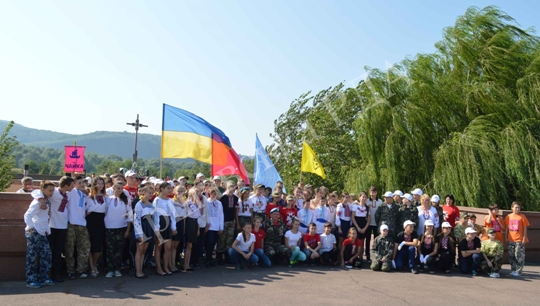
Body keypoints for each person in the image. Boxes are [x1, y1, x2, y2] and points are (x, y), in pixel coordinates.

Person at [24, 180, 56, 288]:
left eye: (53, 190)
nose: (52, 192)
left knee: (46, 255)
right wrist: (31, 227)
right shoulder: (38, 202)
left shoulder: (45, 200)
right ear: (43, 190)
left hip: (42, 232)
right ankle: (31, 280)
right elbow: (27, 215)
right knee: (32, 257)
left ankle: (44, 277)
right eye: (49, 190)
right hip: (35, 231)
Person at [104, 182, 133, 278]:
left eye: (121, 188)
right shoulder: (108, 199)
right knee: (110, 249)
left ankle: (117, 268)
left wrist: (128, 230)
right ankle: (110, 269)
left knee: (119, 249)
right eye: (118, 188)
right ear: (113, 188)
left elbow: (129, 215)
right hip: (110, 228)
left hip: (121, 227)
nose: (120, 190)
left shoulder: (125, 200)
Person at [65, 175, 91, 280]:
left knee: (84, 247)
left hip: (82, 223)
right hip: (71, 223)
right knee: (69, 248)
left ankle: (81, 270)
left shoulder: (84, 194)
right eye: (79, 183)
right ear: (74, 184)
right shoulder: (71, 192)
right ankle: (70, 271)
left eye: (82, 182)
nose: (82, 184)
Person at [153, 182, 177, 275]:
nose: (170, 190)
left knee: (168, 247)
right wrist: (157, 229)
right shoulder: (157, 200)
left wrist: (173, 227)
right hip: (160, 223)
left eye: (170, 188)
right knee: (158, 247)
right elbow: (156, 215)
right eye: (167, 188)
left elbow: (173, 214)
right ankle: (159, 268)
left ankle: (166, 267)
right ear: (161, 189)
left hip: (168, 223)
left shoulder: (170, 201)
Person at [86, 176, 107, 278]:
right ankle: (91, 268)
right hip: (91, 221)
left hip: (101, 221)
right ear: (94, 184)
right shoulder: (88, 196)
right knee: (90, 246)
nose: (100, 185)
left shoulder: (106, 197)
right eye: (98, 183)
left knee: (97, 247)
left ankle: (94, 265)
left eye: (102, 183)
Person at [133, 185, 156, 278]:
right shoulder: (139, 204)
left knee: (144, 250)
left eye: (152, 193)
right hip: (142, 226)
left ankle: (141, 270)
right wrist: (139, 233)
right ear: (144, 192)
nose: (150, 194)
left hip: (149, 227)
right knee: (139, 250)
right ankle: (137, 271)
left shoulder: (150, 203)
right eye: (149, 192)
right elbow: (137, 219)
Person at [505, 201, 530, 277]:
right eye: (516, 207)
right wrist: (506, 237)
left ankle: (518, 271)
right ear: (512, 208)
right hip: (511, 239)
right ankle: (513, 270)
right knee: (511, 255)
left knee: (518, 255)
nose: (517, 209)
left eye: (519, 207)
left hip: (519, 239)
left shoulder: (522, 216)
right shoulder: (508, 216)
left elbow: (525, 228)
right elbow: (507, 228)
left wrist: (524, 238)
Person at [183, 188, 201, 273]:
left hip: (194, 223)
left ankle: (188, 264)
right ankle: (185, 264)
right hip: (189, 223)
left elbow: (198, 217)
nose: (197, 195)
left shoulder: (197, 204)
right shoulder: (187, 203)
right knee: (188, 245)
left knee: (191, 245)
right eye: (195, 193)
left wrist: (198, 229)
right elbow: (185, 216)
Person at [206, 188, 224, 267]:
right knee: (209, 242)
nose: (214, 195)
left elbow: (221, 215)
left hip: (216, 226)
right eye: (213, 193)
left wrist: (221, 227)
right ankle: (208, 258)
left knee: (213, 243)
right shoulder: (206, 202)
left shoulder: (219, 203)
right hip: (209, 226)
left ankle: (210, 259)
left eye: (216, 193)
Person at [172, 185, 187, 271]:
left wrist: (183, 229)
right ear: (174, 192)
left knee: (176, 246)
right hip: (174, 222)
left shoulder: (184, 202)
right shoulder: (172, 202)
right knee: (171, 246)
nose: (180, 193)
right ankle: (170, 264)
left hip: (181, 223)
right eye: (178, 191)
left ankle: (174, 264)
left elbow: (184, 217)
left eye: (182, 191)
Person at [365, 186, 381, 262]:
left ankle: (375, 256)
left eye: (374, 192)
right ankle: (367, 255)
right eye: (371, 192)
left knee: (376, 240)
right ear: (369, 192)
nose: (373, 193)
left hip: (377, 224)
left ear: (376, 193)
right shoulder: (366, 201)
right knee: (367, 240)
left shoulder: (380, 201)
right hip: (368, 223)